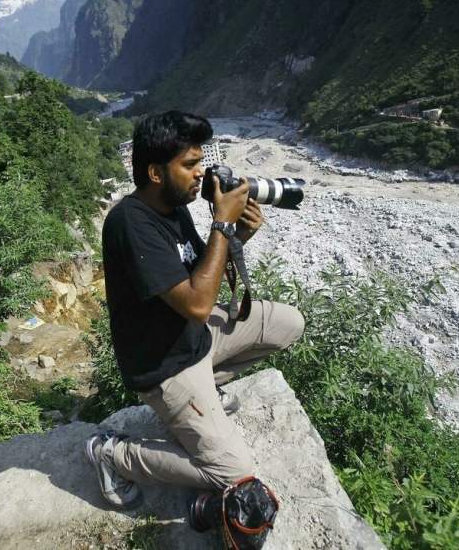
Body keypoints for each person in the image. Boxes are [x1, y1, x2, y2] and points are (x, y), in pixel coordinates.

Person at [86, 110, 305, 509]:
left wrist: (237, 234)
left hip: (194, 339)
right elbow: (199, 303)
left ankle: (208, 386)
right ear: (155, 172)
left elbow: (201, 268)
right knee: (234, 474)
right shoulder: (130, 223)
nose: (200, 174)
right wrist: (222, 222)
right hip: (165, 366)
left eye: (200, 162)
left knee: (289, 324)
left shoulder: (175, 206)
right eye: (189, 165)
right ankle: (112, 455)